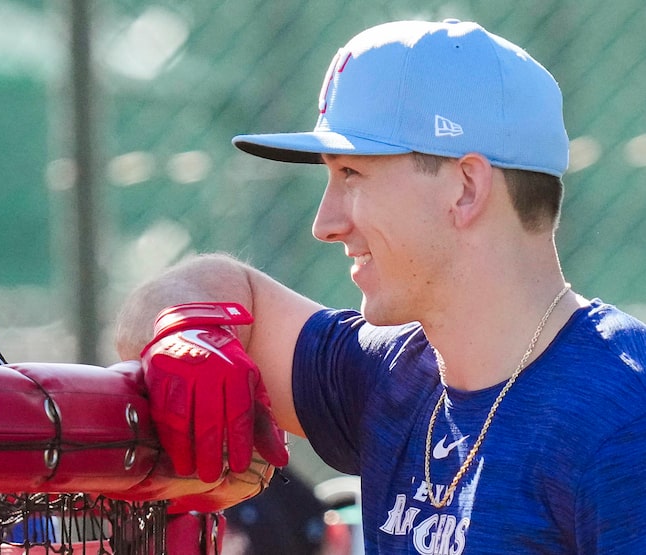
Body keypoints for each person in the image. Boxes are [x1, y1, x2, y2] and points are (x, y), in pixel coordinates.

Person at [115, 18, 646, 553]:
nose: (325, 223)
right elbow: (206, 292)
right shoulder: (393, 375)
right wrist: (180, 331)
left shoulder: (623, 420)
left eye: (351, 174)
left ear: (465, 188)